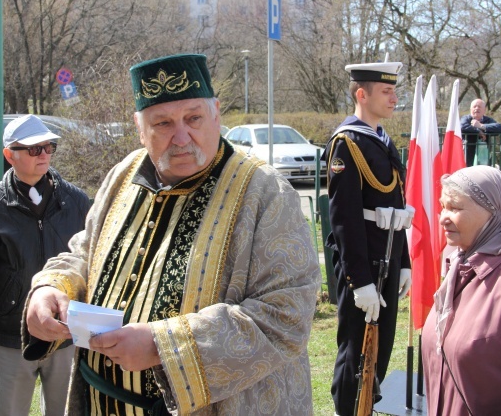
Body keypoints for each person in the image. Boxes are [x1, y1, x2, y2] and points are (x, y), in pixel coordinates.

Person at [23, 54, 321, 416]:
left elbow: (286, 315)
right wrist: (52, 288)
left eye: (193, 118)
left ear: (216, 113)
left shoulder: (265, 192)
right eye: (162, 123)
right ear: (139, 127)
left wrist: (163, 347)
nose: (181, 137)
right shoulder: (124, 174)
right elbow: (85, 254)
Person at [0, 114, 91, 416]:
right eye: (33, 149)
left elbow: (91, 261)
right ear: (9, 155)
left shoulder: (77, 201)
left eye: (48, 147)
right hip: (11, 337)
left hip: (65, 334)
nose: (43, 155)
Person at [322, 61, 413, 415]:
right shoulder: (347, 143)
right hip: (362, 265)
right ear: (362, 94)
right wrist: (359, 281)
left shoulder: (380, 139)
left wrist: (403, 261)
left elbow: (396, 207)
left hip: (388, 257)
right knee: (355, 350)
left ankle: (366, 409)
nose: (394, 98)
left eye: (394, 91)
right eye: (386, 92)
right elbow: (344, 219)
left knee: (381, 348)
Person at [421, 165, 501, 415]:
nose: (443, 217)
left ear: (492, 211)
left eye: (455, 208)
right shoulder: (462, 262)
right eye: (443, 206)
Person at [460, 99, 501, 167]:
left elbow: (499, 127)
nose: (477, 108)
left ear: (484, 110)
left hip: (484, 154)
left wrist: (481, 126)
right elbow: (462, 126)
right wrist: (478, 131)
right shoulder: (466, 118)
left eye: (479, 107)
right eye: (474, 106)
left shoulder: (487, 120)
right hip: (468, 152)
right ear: (470, 109)